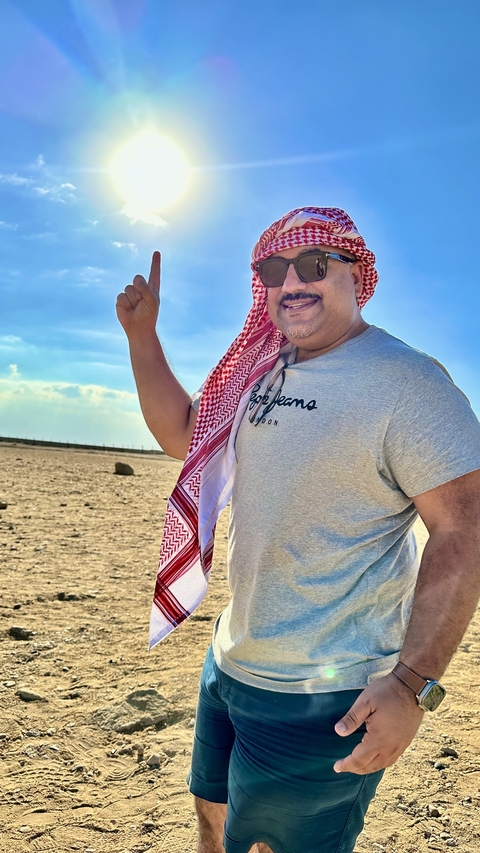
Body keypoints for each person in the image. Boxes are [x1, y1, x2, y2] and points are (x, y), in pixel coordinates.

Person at [116, 207, 480, 853]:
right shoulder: (262, 367)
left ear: (355, 274)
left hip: (329, 694)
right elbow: (184, 434)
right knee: (212, 819)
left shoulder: (406, 382)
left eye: (313, 264)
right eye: (272, 270)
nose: (291, 283)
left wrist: (411, 686)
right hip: (232, 661)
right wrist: (142, 337)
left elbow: (465, 530)